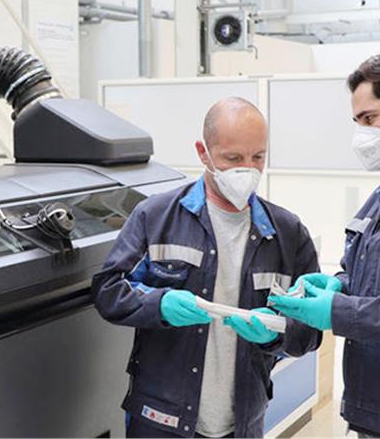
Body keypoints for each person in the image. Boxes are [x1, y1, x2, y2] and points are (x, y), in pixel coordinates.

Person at [92, 97, 322, 438]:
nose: (247, 169)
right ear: (203, 152)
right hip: (161, 420)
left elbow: (311, 331)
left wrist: (276, 333)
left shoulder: (288, 235)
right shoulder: (156, 218)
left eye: (258, 157)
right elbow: (108, 290)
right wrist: (159, 305)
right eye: (233, 158)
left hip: (242, 422)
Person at [270, 52, 380, 439]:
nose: (363, 134)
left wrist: (338, 311)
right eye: (357, 122)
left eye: (371, 118)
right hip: (375, 408)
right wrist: (337, 284)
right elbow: (360, 270)